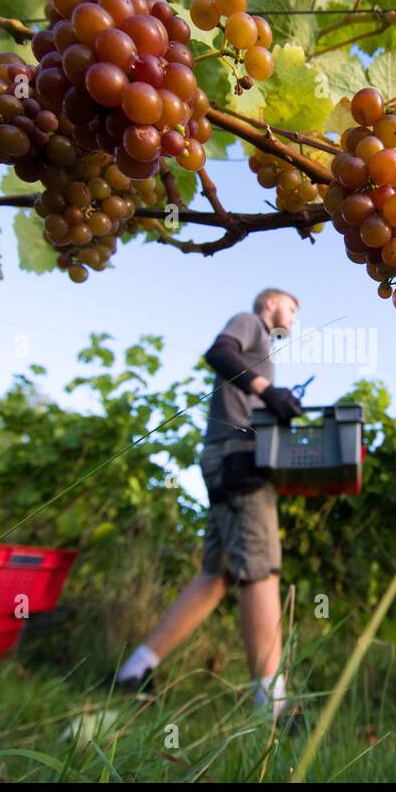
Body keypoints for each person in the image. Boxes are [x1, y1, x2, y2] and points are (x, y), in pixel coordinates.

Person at [111, 288, 303, 721]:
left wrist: (273, 402)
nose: (292, 319)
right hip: (237, 458)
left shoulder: (262, 345)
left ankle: (134, 670)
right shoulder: (250, 322)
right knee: (261, 569)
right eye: (290, 309)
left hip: (223, 456)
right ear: (270, 302)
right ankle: (273, 708)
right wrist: (266, 390)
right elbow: (219, 352)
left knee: (217, 576)